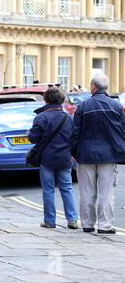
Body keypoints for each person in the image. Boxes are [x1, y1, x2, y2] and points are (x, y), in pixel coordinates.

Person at [71, 73, 125, 234]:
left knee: (87, 191)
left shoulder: (83, 106)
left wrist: (73, 152)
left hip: (86, 155)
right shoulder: (116, 106)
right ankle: (105, 225)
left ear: (93, 87)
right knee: (106, 192)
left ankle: (87, 224)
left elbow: (75, 132)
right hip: (108, 156)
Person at [28, 87, 79, 229]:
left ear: (46, 100)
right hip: (65, 158)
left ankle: (50, 221)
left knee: (48, 190)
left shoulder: (41, 117)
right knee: (67, 188)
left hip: (47, 158)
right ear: (61, 100)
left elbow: (32, 139)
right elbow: (73, 138)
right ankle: (72, 220)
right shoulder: (68, 118)